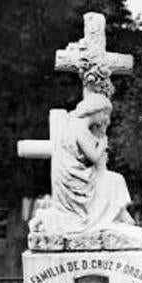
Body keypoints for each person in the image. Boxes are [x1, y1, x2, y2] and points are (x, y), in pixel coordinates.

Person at [52, 93, 134, 231]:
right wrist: (103, 143)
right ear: (94, 111)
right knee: (115, 179)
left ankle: (119, 213)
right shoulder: (78, 127)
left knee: (113, 178)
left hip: (79, 173)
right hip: (75, 178)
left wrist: (101, 133)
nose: (106, 119)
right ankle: (118, 214)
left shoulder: (78, 125)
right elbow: (94, 157)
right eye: (104, 114)